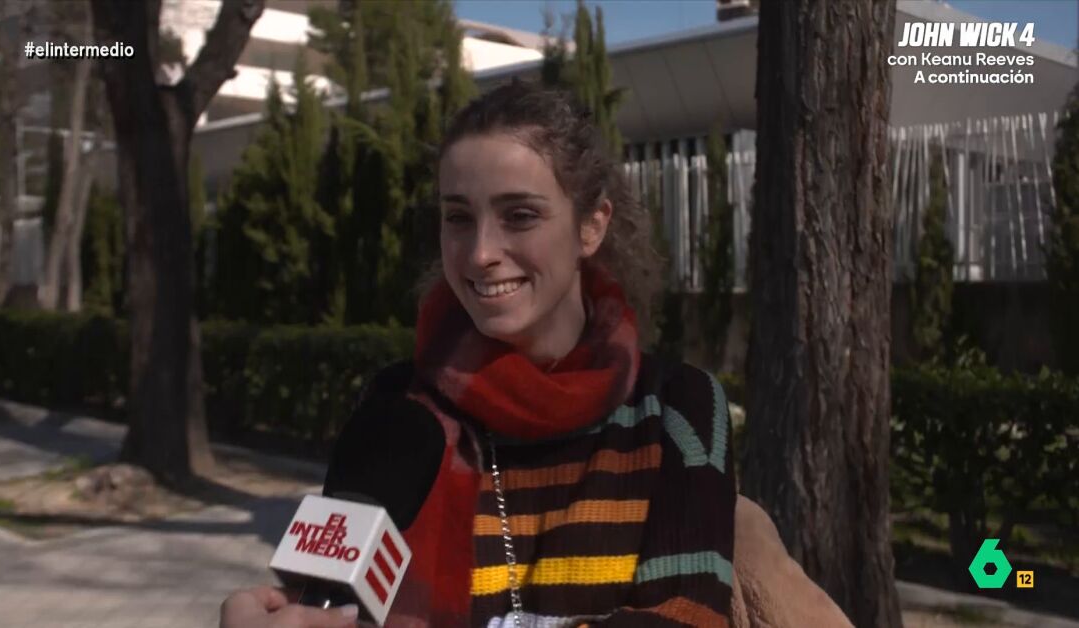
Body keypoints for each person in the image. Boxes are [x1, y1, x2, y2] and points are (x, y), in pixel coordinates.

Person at [224, 80, 834, 627]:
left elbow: (685, 617)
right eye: (458, 218)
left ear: (591, 226)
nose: (480, 252)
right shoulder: (395, 411)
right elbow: (335, 601)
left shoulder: (678, 410)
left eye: (519, 215)